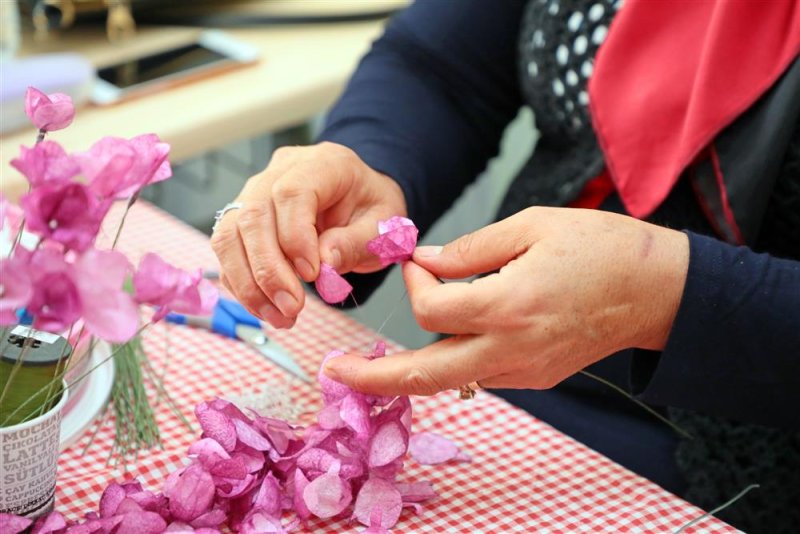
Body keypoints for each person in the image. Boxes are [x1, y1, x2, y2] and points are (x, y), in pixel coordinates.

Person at [211, 1, 800, 531]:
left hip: (741, 459)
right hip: (495, 384)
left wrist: (672, 297)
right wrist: (373, 165)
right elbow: (439, 68)